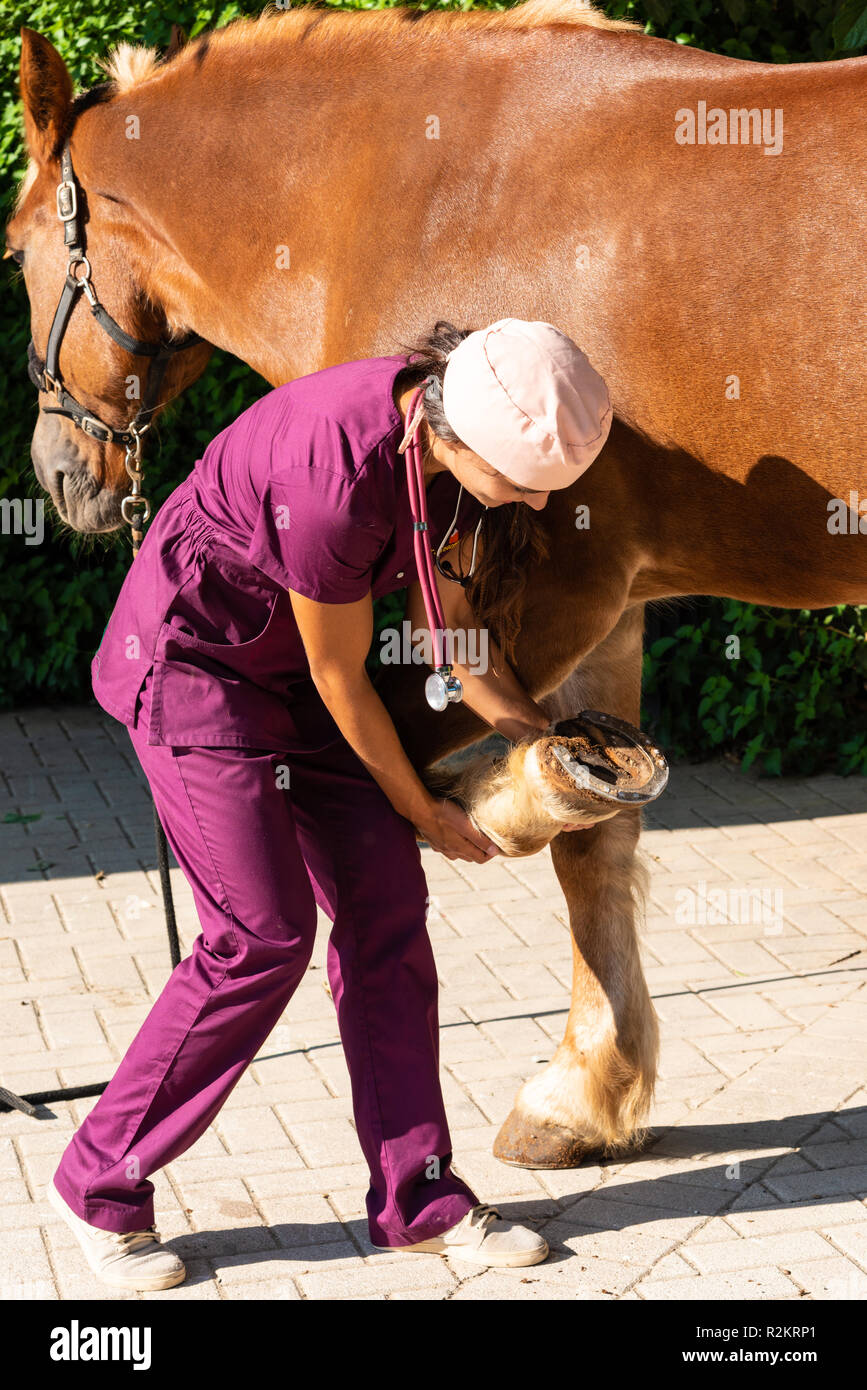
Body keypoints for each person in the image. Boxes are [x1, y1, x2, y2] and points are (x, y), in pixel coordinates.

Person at [47, 318, 613, 1290]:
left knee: (387, 906)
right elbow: (342, 673)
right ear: (462, 436)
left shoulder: (441, 429)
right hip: (195, 672)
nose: (535, 500)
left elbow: (454, 627)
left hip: (292, 679)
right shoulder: (336, 482)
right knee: (262, 937)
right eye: (525, 482)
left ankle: (420, 1199)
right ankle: (100, 1180)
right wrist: (429, 814)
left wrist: (532, 732)